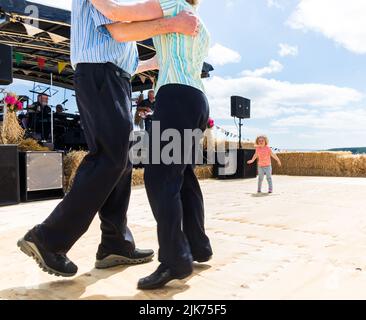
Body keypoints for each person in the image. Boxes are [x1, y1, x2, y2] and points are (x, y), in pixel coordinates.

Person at [17, 0, 201, 278]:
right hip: (100, 73)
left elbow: (122, 51)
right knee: (110, 157)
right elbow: (117, 28)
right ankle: (49, 238)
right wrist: (171, 24)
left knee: (122, 161)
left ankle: (115, 243)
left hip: (114, 77)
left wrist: (156, 61)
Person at [90, 0, 213, 289]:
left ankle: (174, 259)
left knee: (159, 177)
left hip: (175, 98)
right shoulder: (197, 20)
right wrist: (137, 67)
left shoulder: (171, 4)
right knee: (182, 177)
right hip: (196, 100)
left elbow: (118, 14)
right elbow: (166, 57)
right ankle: (198, 246)